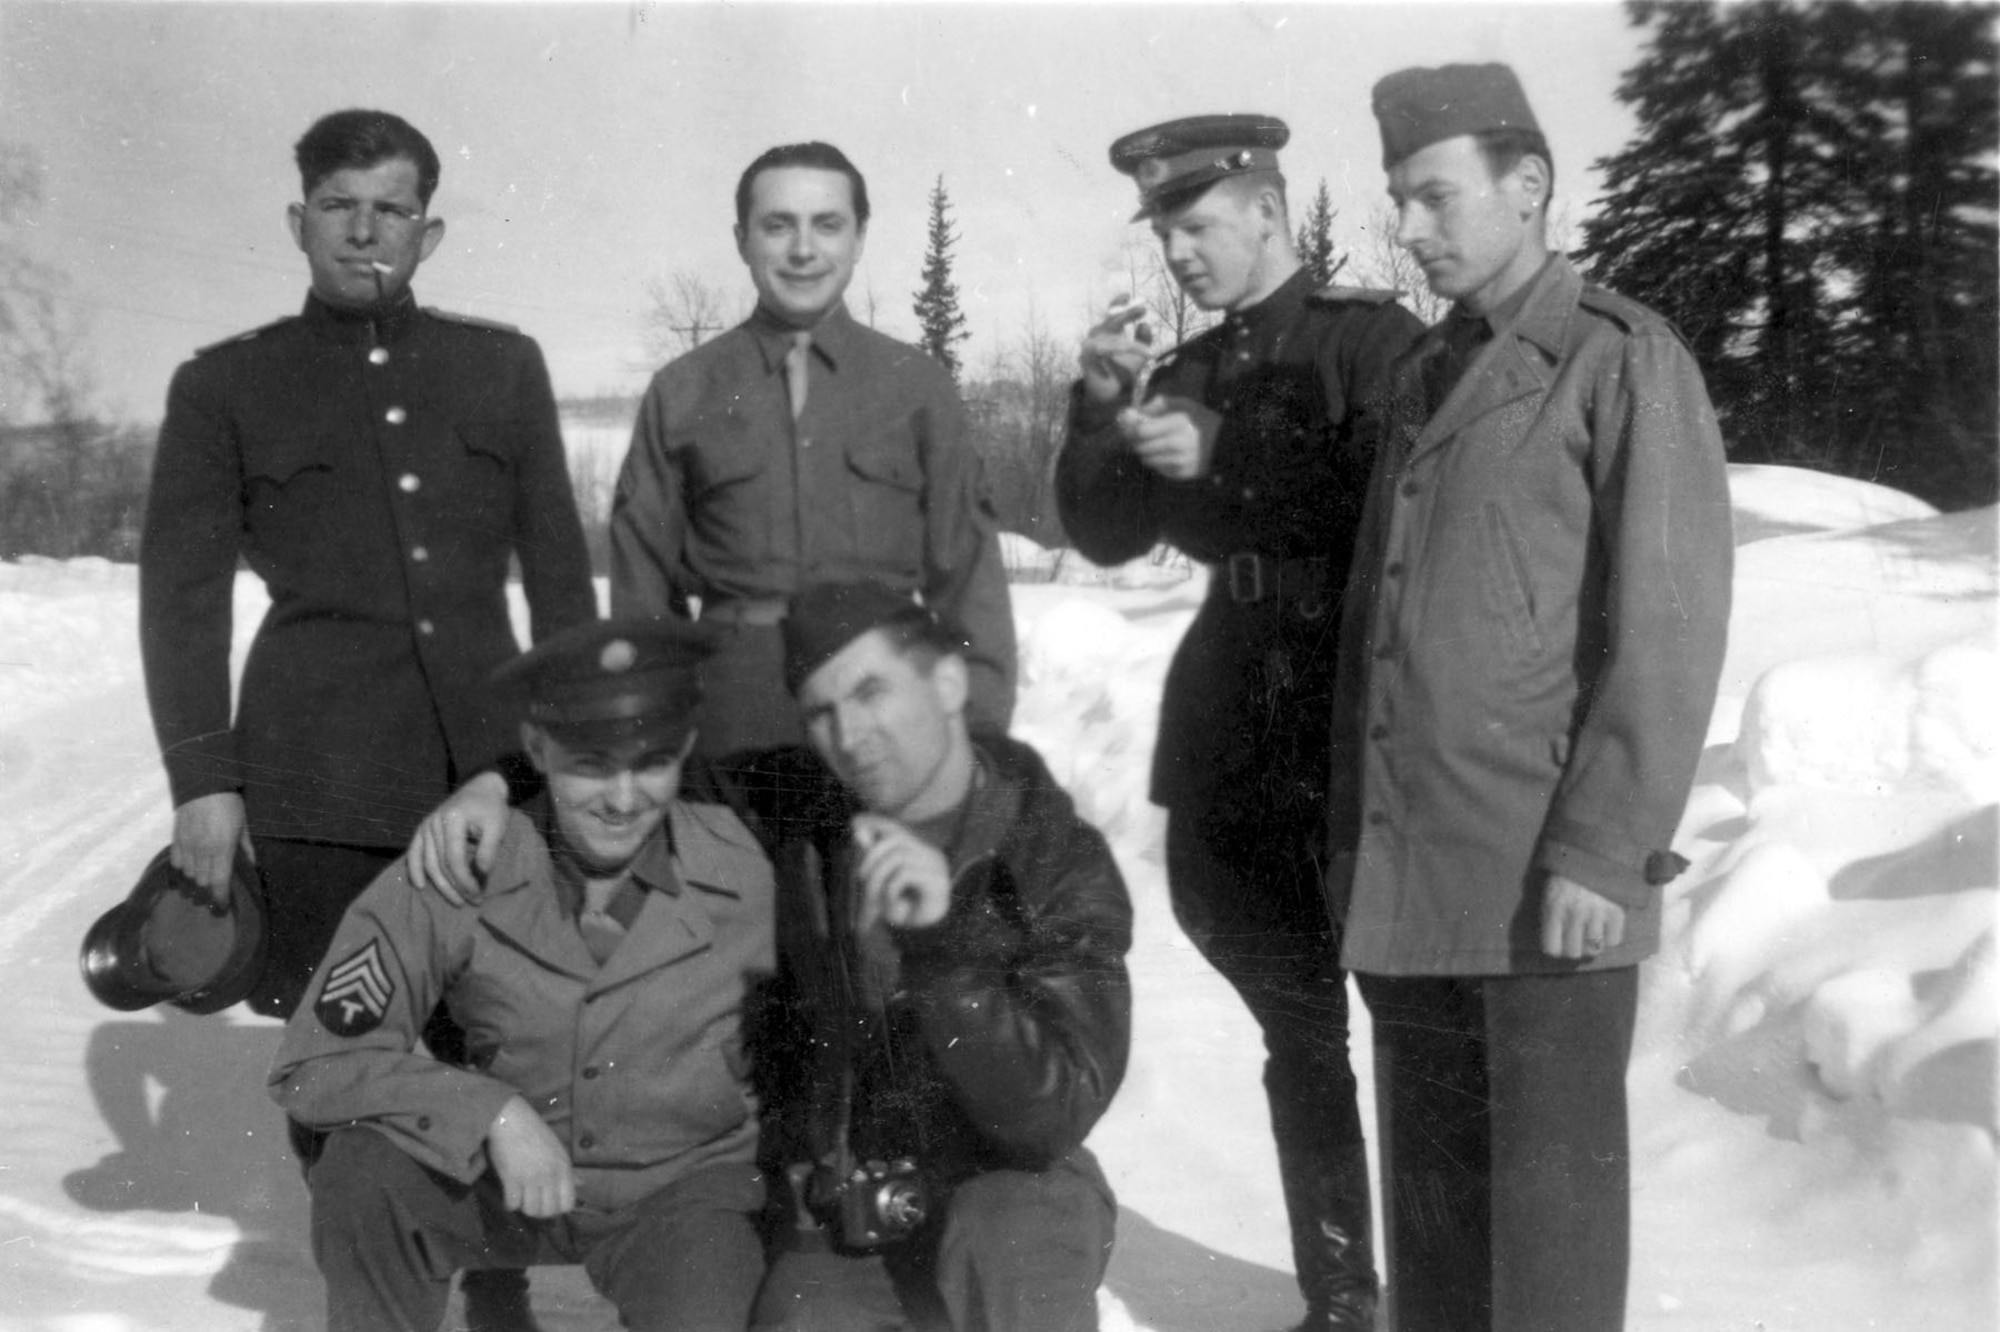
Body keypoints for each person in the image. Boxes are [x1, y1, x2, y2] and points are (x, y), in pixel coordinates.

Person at [407, 581, 1133, 1332]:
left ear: (947, 682)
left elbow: (1052, 1113)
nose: (850, 734)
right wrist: (495, 784)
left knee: (1008, 1239)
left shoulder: (1051, 856)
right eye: (822, 710)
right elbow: (635, 766)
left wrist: (946, 955)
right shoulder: (809, 802)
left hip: (1014, 1192)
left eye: (873, 691)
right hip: (857, 1209)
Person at [1326, 65, 1733, 1332]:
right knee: (1438, 1260)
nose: (1409, 228)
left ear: (1529, 187)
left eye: (1434, 197)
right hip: (1415, 886)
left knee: (1546, 1273)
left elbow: (1667, 628)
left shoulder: (1616, 360)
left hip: (1541, 889)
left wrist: (1603, 852)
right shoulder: (1424, 376)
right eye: (1399, 201)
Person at [1054, 114, 1421, 1330]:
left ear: (1265, 210)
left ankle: (1444, 1288)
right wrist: (1101, 408)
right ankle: (1341, 1297)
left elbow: (1388, 509)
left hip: (1352, 723)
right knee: (1300, 1036)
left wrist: (1219, 464)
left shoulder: (1373, 344)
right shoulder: (1189, 369)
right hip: (1232, 734)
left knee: (1412, 1034)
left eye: (1196, 224)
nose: (1180, 253)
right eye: (1164, 232)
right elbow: (1102, 533)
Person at [138, 108, 595, 1021]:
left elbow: (560, 585)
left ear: (427, 232)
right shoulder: (224, 386)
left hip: (495, 772)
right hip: (316, 781)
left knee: (505, 1035)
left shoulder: (502, 370)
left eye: (389, 210)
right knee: (338, 1051)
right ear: (296, 221)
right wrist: (203, 785)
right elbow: (181, 604)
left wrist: (570, 756)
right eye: (337, 204)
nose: (361, 230)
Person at [269, 618, 775, 1332]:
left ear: (686, 749)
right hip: (501, 1185)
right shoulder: (461, 865)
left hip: (680, 1198)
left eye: (653, 762)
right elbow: (313, 1062)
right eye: (592, 764)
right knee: (363, 1173)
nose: (624, 798)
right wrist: (488, 1113)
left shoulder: (749, 873)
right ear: (537, 749)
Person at [610, 142, 1016, 758]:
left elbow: (967, 575)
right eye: (778, 226)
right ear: (743, 238)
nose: (804, 250)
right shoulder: (684, 390)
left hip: (886, 719)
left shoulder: (916, 386)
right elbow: (640, 581)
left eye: (828, 224)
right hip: (731, 722)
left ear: (858, 238)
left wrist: (979, 736)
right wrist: (660, 719)